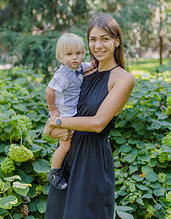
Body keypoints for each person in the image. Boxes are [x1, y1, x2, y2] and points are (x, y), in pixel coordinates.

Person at [44, 14, 135, 219]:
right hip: (67, 157)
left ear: (117, 41)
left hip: (92, 161)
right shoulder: (80, 74)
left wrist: (56, 122)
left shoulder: (123, 79)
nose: (98, 45)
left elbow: (97, 123)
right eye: (93, 39)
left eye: (105, 38)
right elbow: (60, 105)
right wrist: (54, 129)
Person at [46, 33, 95, 190]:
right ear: (60, 57)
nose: (75, 57)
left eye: (78, 53)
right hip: (63, 115)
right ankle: (54, 172)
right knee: (65, 146)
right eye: (69, 54)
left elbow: (92, 65)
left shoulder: (80, 66)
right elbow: (49, 91)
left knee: (71, 144)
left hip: (72, 113)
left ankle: (67, 169)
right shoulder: (62, 75)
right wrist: (53, 110)